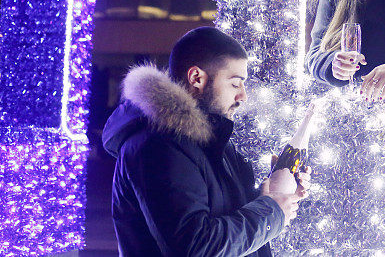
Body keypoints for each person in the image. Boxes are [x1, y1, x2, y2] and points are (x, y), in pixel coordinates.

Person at [102, 27, 310, 256]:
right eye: (235, 83)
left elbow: (222, 213)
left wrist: (271, 194)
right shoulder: (157, 145)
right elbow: (197, 246)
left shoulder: (207, 139)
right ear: (197, 78)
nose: (243, 96)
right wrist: (270, 213)